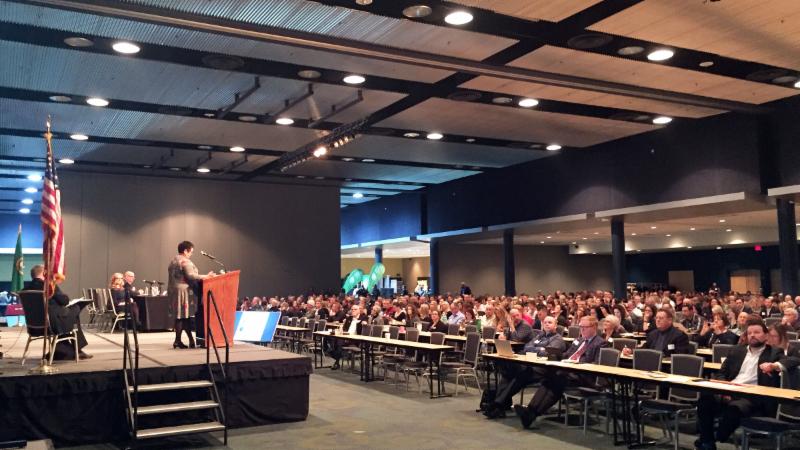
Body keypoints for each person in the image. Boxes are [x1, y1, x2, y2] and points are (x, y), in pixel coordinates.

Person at [695, 320, 782, 450]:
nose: (752, 335)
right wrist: (725, 389)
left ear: (766, 335)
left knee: (735, 409)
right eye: (750, 333)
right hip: (729, 390)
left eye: (757, 332)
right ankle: (708, 442)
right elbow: (721, 373)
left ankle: (713, 438)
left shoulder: (774, 353)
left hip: (751, 396)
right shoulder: (737, 350)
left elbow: (793, 360)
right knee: (705, 400)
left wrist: (774, 365)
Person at [513, 316, 609, 428]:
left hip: (584, 377)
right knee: (550, 378)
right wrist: (555, 354)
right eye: (580, 327)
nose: (582, 329)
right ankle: (531, 412)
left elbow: (596, 364)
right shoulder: (579, 340)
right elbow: (566, 355)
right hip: (568, 373)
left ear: (594, 327)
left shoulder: (601, 343)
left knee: (557, 379)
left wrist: (576, 363)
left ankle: (531, 413)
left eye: (585, 327)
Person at [485, 316, 565, 419]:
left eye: (550, 322)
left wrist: (536, 349)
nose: (547, 324)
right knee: (508, 373)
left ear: (555, 325)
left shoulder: (558, 339)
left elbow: (547, 352)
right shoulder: (540, 335)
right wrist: (539, 349)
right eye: (545, 322)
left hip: (544, 369)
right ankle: (499, 405)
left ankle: (498, 404)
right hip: (531, 365)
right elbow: (526, 347)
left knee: (521, 375)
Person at [25, 264, 92, 360]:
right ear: (44, 273)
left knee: (68, 316)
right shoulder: (48, 286)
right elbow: (64, 301)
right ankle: (77, 349)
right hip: (52, 325)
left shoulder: (26, 289)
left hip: (34, 328)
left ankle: (63, 348)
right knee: (76, 308)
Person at [167, 241, 213, 349]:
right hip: (183, 291)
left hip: (174, 290)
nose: (191, 254)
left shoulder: (173, 260)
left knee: (183, 316)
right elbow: (191, 275)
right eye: (191, 252)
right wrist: (206, 276)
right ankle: (178, 340)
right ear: (185, 251)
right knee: (181, 317)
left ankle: (184, 340)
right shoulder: (185, 261)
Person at [624, 309, 689, 358]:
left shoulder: (679, 336)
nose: (657, 320)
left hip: (667, 367)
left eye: (661, 318)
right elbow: (645, 348)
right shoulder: (652, 334)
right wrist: (631, 351)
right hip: (651, 363)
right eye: (656, 318)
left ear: (670, 320)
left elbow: (680, 356)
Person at [329, 305, 367, 370]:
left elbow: (365, 323)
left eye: (355, 309)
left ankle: (336, 361)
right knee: (333, 339)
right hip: (346, 337)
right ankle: (333, 353)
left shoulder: (363, 318)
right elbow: (344, 329)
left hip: (356, 340)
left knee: (339, 342)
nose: (353, 311)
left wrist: (364, 323)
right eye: (352, 309)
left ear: (359, 311)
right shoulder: (349, 318)